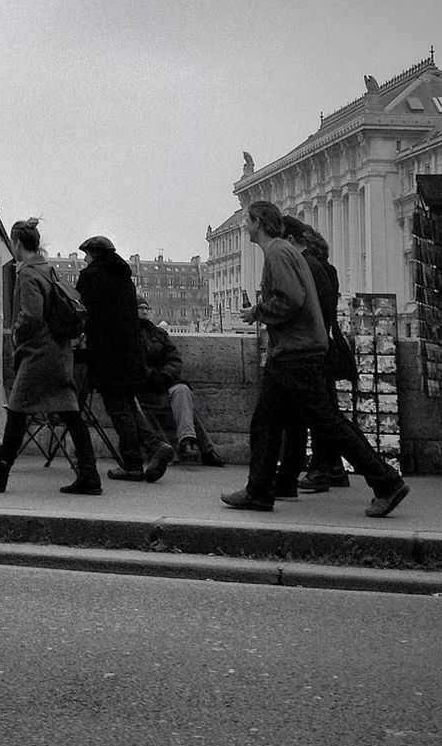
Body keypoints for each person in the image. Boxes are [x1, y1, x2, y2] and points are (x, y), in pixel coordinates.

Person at [222, 200, 409, 518]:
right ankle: (260, 491)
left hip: (295, 353)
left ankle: (386, 482)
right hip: (295, 352)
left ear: (257, 222)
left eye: (247, 221)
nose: (245, 227)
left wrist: (257, 312)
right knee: (267, 422)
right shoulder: (287, 250)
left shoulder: (278, 253)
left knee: (327, 422)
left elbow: (290, 299)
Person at [0, 218, 102, 495]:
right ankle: (89, 475)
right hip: (60, 352)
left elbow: (31, 315)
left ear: (16, 243)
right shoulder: (48, 268)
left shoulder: (27, 273)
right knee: (71, 414)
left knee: (17, 412)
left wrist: (16, 334)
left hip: (38, 355)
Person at [75, 235, 173, 483]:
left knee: (118, 410)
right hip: (131, 353)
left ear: (94, 254)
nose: (84, 260)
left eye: (86, 255)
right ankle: (155, 445)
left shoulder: (92, 276)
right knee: (128, 405)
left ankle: (132, 464)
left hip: (108, 354)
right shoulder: (124, 277)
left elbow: (83, 312)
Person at [278, 217, 358, 494]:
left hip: (313, 348)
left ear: (290, 240)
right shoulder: (323, 266)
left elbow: (309, 309)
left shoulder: (307, 267)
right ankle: (332, 468)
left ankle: (327, 469)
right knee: (323, 412)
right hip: (323, 345)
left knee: (322, 414)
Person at [134, 297, 225, 467]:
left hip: (163, 383)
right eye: (141, 308)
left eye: (147, 308)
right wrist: (152, 375)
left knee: (182, 390)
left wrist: (165, 376)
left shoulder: (160, 334)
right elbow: (134, 363)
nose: (145, 311)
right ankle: (205, 449)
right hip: (144, 386)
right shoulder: (129, 335)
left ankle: (186, 441)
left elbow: (174, 360)